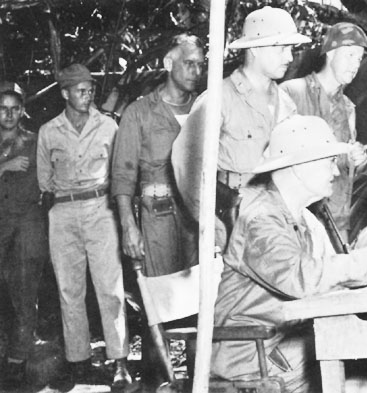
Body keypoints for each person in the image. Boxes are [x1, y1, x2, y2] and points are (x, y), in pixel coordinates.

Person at [211, 115, 367, 393]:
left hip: (278, 342)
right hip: (251, 355)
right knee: (360, 354)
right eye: (329, 162)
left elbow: (321, 275)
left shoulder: (295, 219)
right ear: (300, 167)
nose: (337, 172)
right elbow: (301, 278)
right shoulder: (261, 218)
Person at [110, 33, 204, 389]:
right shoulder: (139, 112)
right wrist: (128, 227)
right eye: (188, 63)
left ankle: (198, 381)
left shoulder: (205, 109)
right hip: (157, 221)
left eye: (199, 64)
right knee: (157, 308)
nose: (195, 71)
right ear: (168, 64)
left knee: (202, 305)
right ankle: (154, 383)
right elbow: (122, 175)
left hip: (199, 224)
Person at [172, 6, 310, 227]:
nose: (290, 57)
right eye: (282, 49)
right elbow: (186, 163)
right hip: (229, 221)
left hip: (274, 221)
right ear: (255, 49)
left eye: (291, 49)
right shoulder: (218, 100)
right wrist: (209, 224)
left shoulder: (286, 105)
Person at [36, 64, 130, 389]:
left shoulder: (108, 127)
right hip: (62, 212)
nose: (87, 94)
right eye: (80, 90)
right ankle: (79, 362)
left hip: (100, 208)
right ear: (65, 93)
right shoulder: (49, 132)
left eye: (90, 89)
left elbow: (120, 172)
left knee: (110, 287)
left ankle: (120, 362)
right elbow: (44, 181)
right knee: (69, 289)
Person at [280, 22, 367, 239]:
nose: (355, 64)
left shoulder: (348, 108)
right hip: (295, 220)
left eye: (358, 58)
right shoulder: (292, 93)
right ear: (330, 53)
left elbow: (342, 172)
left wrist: (354, 157)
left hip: (336, 223)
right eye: (349, 55)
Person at [0, 83, 48, 389]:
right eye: (2, 108)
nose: (8, 114)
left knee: (24, 291)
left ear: (23, 110)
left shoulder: (34, 140)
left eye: (14, 108)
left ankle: (17, 361)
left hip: (27, 223)